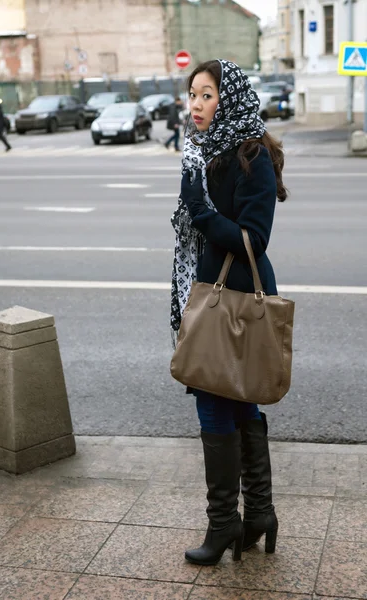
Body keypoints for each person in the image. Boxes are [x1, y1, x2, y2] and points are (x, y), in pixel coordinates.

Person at [170, 60, 287, 566]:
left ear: (230, 98)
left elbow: (253, 240)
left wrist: (201, 209)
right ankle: (257, 515)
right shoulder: (199, 151)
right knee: (237, 403)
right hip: (203, 293)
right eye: (192, 95)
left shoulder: (251, 156)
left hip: (235, 299)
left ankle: (226, 525)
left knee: (220, 403)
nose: (195, 105)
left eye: (206, 95)